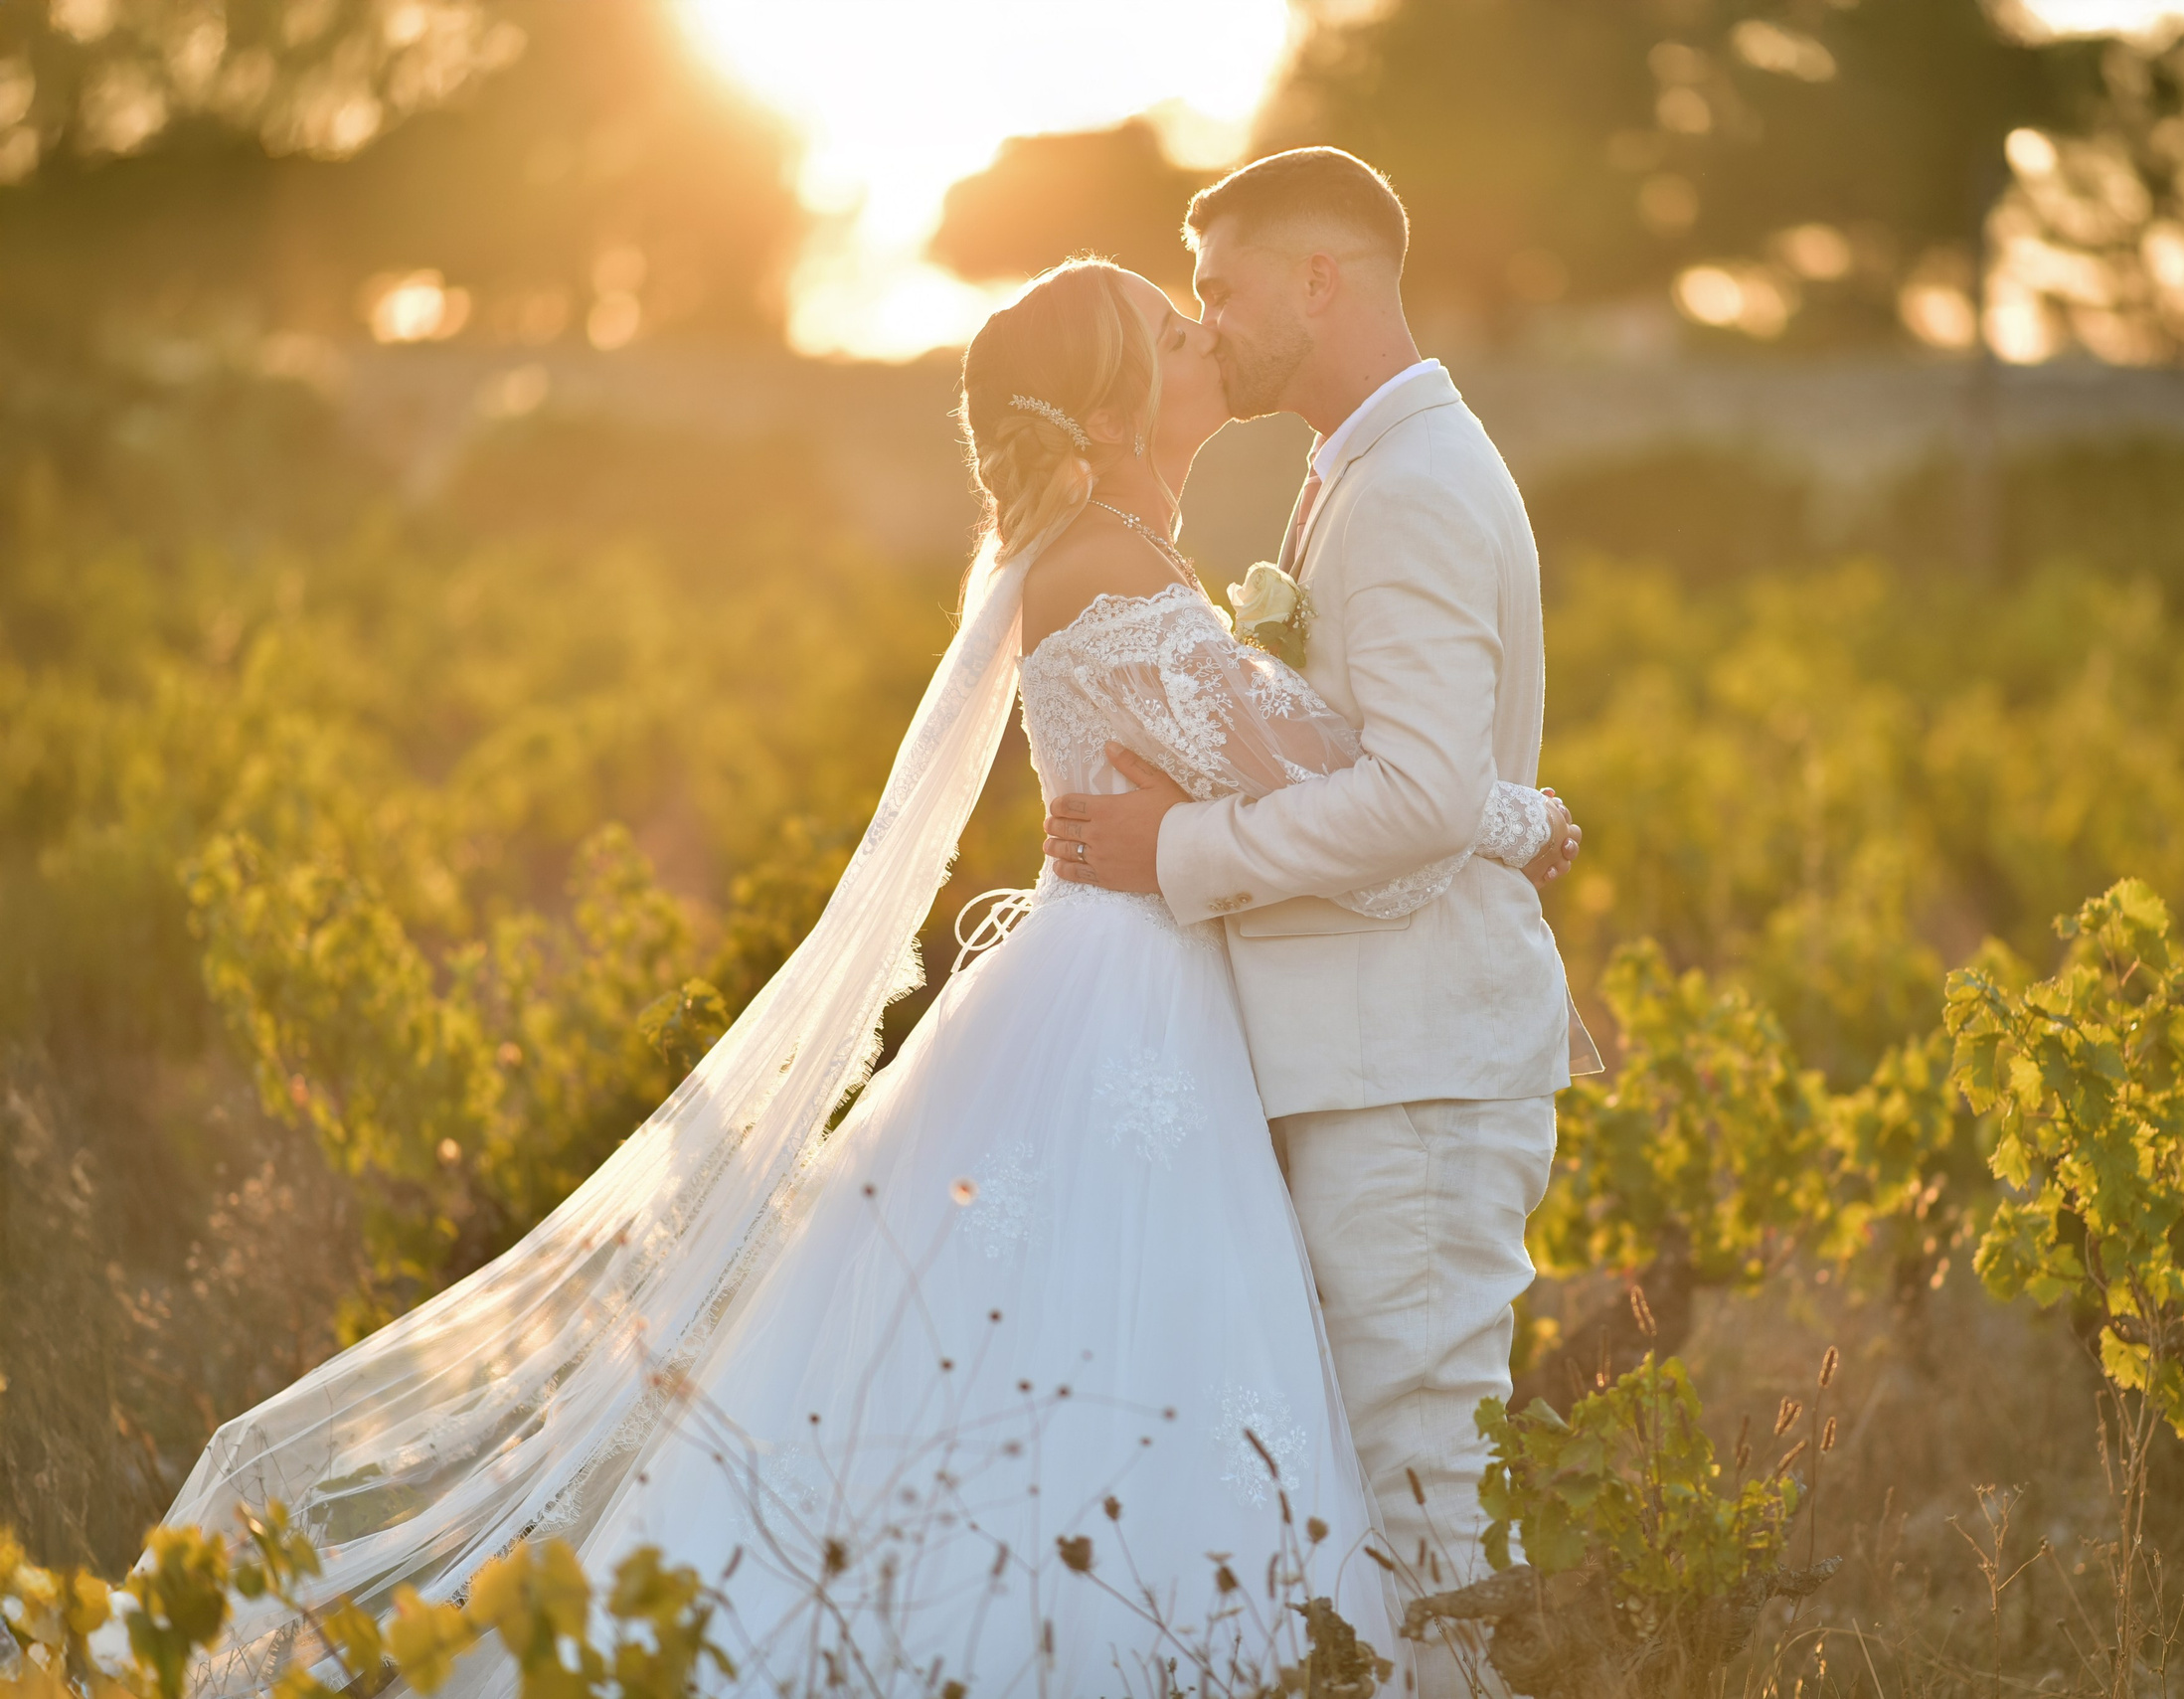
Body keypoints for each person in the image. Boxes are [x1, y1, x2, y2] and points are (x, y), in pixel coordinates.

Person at [160, 255, 1574, 1698]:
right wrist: (1515, 814)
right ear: (1114, 404)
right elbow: (1335, 772)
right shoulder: (1110, 567)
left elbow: (1295, 770)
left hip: (1136, 986)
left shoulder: (1121, 559)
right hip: (1126, 1004)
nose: (1203, 331)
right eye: (1169, 325)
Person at [1042, 148, 1594, 1697]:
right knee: (1384, 1497)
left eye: (1220, 287)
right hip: (1373, 1055)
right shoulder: (1365, 461)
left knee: (1423, 1500)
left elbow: (1419, 799)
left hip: (1407, 1069)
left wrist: (1180, 850)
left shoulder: (1411, 482)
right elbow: (1425, 778)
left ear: (1320, 278)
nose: (1207, 322)